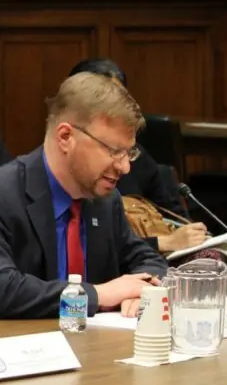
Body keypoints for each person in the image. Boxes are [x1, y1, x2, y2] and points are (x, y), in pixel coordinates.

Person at [0, 72, 168, 320]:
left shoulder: (105, 201)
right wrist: (98, 294)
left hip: (90, 340)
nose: (124, 167)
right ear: (65, 137)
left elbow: (149, 261)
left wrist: (141, 291)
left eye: (129, 153)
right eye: (114, 151)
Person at [67, 58, 207, 254]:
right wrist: (161, 243)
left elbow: (175, 218)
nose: (124, 166)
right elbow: (87, 245)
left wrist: (190, 235)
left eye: (120, 99)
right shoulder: (65, 166)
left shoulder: (137, 157)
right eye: (103, 100)